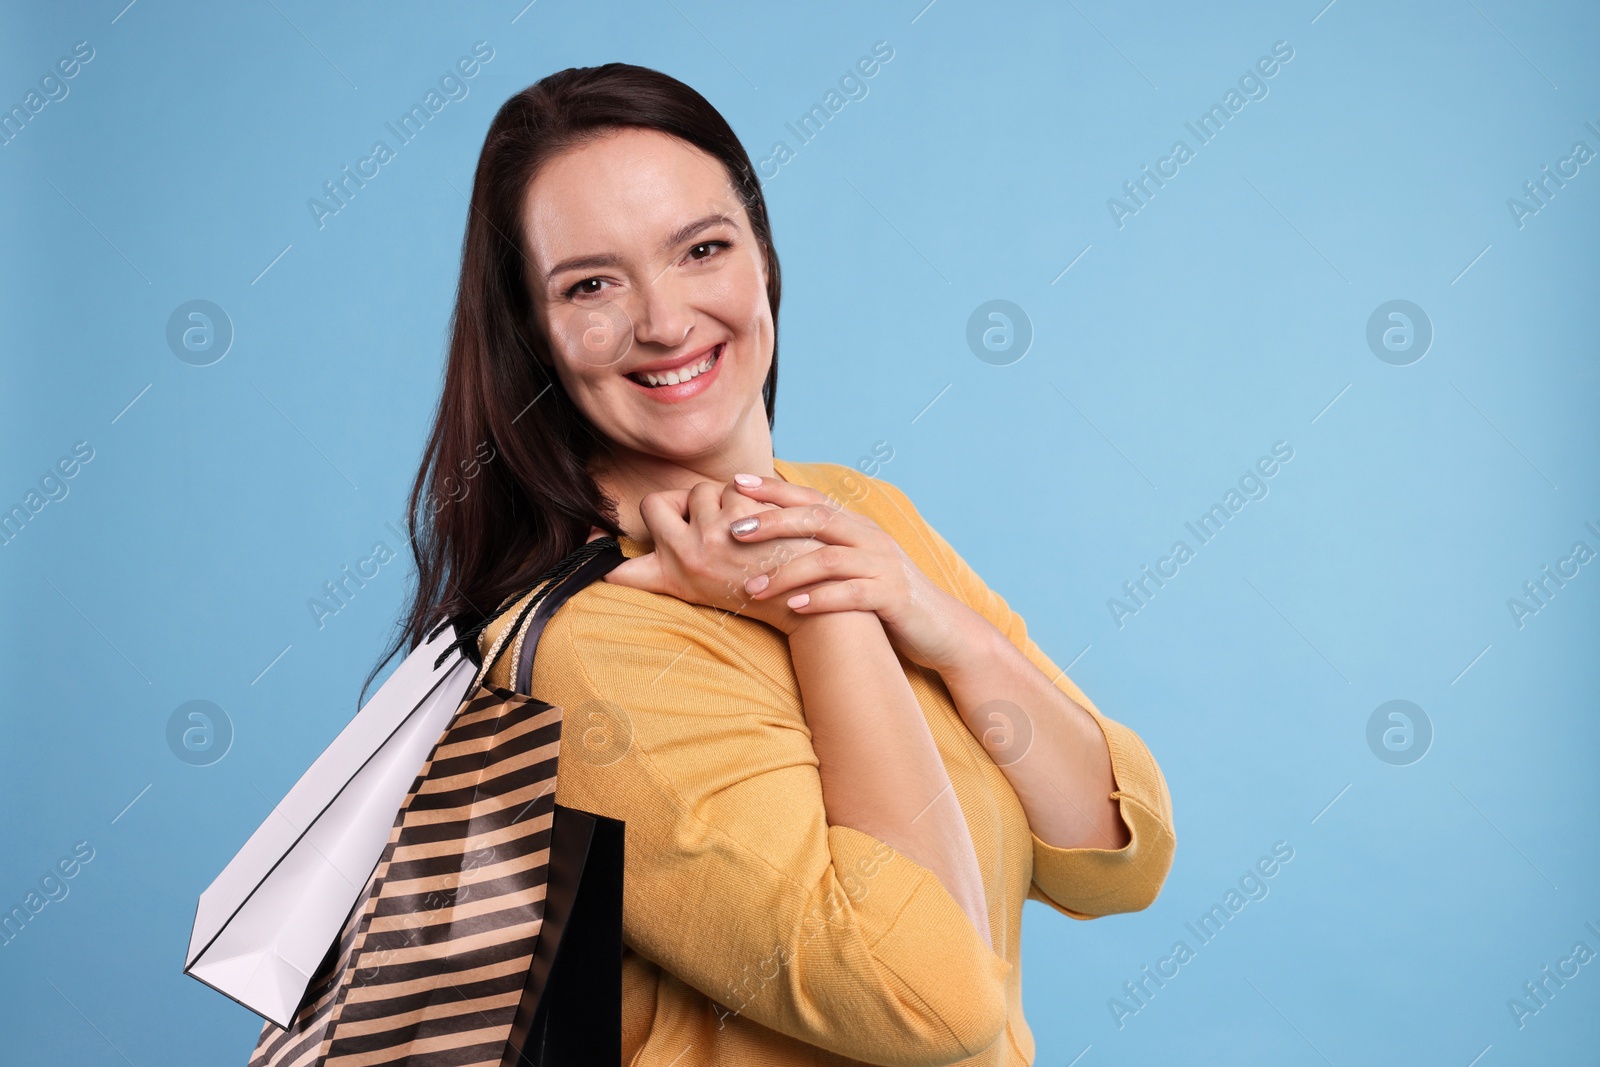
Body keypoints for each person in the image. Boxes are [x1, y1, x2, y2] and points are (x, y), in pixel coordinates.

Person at [384, 62, 1176, 1066]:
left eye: (701, 249)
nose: (665, 321)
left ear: (762, 256)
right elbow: (931, 1005)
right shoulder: (598, 644)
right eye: (591, 284)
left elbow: (1115, 855)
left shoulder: (855, 510)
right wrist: (820, 606)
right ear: (533, 332)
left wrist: (950, 631)